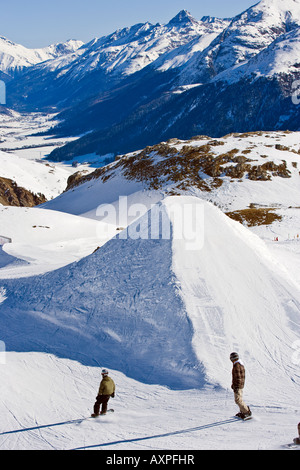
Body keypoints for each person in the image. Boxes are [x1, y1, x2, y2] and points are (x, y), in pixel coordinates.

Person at [230, 352, 251, 419]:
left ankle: (246, 412)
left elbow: (238, 377)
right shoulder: (239, 364)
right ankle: (243, 411)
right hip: (240, 385)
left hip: (238, 386)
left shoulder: (237, 365)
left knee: (238, 400)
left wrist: (236, 386)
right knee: (239, 399)